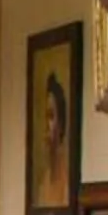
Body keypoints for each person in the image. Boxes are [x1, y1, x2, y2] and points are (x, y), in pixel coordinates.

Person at [36, 72, 72, 207]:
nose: (46, 125)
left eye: (51, 116)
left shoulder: (67, 181)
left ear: (61, 123)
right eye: (45, 116)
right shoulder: (43, 183)